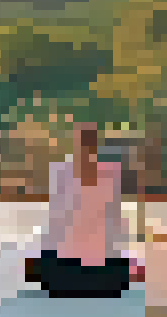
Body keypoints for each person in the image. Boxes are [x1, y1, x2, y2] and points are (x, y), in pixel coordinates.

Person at [27, 122, 144, 297]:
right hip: (105, 274)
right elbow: (115, 225)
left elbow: (55, 225)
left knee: (38, 263)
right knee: (133, 266)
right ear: (95, 144)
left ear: (75, 143)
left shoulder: (60, 171)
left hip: (63, 274)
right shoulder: (111, 172)